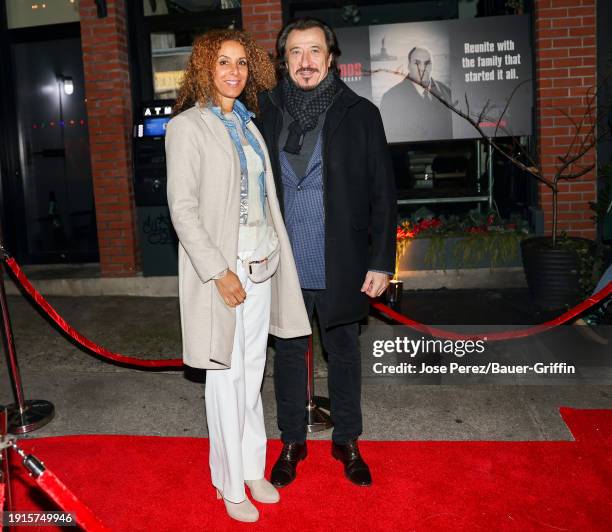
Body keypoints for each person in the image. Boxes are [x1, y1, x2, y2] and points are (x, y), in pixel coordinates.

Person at [165, 30, 311, 523]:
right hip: (224, 276)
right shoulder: (187, 127)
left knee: (251, 379)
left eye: (242, 63)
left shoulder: (248, 126)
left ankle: (250, 467)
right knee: (225, 380)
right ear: (205, 67)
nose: (234, 71)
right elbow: (183, 211)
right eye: (223, 62)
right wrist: (218, 271)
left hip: (262, 266)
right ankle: (229, 485)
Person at [256, 18, 397, 488]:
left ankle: (348, 441)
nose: (305, 61)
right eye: (295, 52)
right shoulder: (265, 110)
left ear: (331, 57)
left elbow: (383, 193)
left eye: (314, 51)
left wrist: (381, 261)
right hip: (282, 265)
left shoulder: (359, 113)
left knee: (343, 353)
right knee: (289, 356)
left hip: (342, 261)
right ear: (285, 60)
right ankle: (292, 441)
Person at [379, 46, 453, 142]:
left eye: (427, 63)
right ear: (408, 65)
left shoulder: (447, 92)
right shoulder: (390, 98)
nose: (422, 68)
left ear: (432, 65)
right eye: (417, 63)